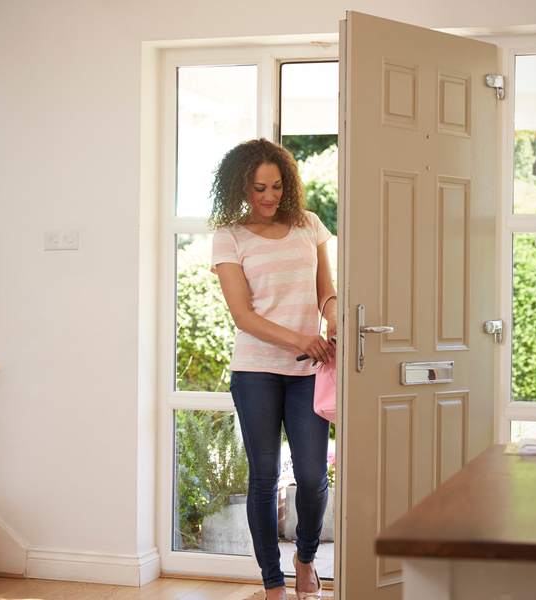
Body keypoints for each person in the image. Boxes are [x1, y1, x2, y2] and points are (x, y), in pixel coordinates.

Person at [209, 138, 336, 600]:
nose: (269, 197)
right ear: (241, 186)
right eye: (259, 188)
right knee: (264, 477)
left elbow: (326, 291)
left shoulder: (308, 225)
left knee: (312, 476)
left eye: (277, 187)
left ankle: (305, 560)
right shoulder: (229, 237)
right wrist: (302, 338)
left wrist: (335, 319)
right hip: (256, 371)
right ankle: (271, 580)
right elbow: (243, 316)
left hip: (308, 373)